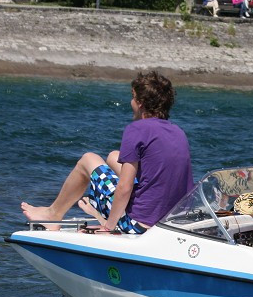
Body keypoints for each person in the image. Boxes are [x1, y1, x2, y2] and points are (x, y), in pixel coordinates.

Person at [21, 71, 194, 233]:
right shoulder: (178, 132)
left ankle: (53, 214)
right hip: (169, 222)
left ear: (140, 103)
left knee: (88, 159)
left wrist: (109, 228)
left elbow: (124, 187)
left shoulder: (137, 129)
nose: (131, 103)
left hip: (138, 224)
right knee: (113, 157)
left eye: (133, 98)